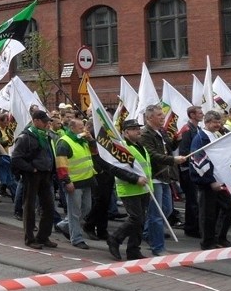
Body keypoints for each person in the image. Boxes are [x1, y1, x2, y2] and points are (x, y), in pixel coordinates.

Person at [139, 104, 187, 256]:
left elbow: (168, 148)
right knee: (156, 213)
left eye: (162, 115)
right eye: (159, 115)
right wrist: (173, 160)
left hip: (166, 176)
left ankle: (147, 233)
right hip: (155, 176)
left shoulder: (162, 131)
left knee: (167, 209)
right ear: (149, 118)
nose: (162, 117)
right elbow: (152, 154)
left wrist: (176, 141)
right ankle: (158, 247)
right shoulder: (145, 134)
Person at [189, 110, 231, 249]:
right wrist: (210, 181)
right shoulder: (200, 138)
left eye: (219, 121)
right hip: (208, 183)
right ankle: (207, 242)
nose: (218, 124)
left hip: (221, 179)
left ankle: (220, 237)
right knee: (207, 215)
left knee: (229, 208)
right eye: (215, 122)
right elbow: (197, 162)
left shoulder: (218, 134)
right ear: (207, 122)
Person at [106, 119, 151, 260]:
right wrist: (134, 179)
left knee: (140, 221)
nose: (138, 131)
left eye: (139, 128)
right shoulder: (121, 147)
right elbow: (115, 169)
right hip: (129, 188)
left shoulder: (139, 146)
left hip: (144, 188)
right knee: (135, 218)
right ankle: (114, 238)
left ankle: (133, 249)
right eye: (134, 129)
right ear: (126, 132)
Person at [12, 109, 57, 248]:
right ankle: (30, 239)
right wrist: (31, 168)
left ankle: (43, 236)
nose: (47, 124)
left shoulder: (46, 135)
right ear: (36, 121)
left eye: (48, 122)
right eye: (44, 122)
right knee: (29, 207)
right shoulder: (25, 137)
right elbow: (16, 158)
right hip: (32, 175)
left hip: (46, 174)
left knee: (49, 206)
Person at [55, 117, 97, 248]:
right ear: (72, 128)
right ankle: (76, 238)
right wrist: (66, 181)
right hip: (74, 182)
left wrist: (91, 140)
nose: (84, 130)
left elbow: (94, 153)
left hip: (87, 180)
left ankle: (64, 225)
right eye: (80, 128)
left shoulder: (82, 139)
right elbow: (61, 165)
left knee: (86, 208)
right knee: (74, 212)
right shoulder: (64, 143)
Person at [177, 105, 203, 238]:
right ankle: (191, 228)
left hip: (195, 168)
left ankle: (194, 225)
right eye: (199, 113)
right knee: (192, 200)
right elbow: (184, 151)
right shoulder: (187, 130)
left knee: (195, 200)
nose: (202, 114)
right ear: (192, 115)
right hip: (188, 170)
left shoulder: (197, 129)